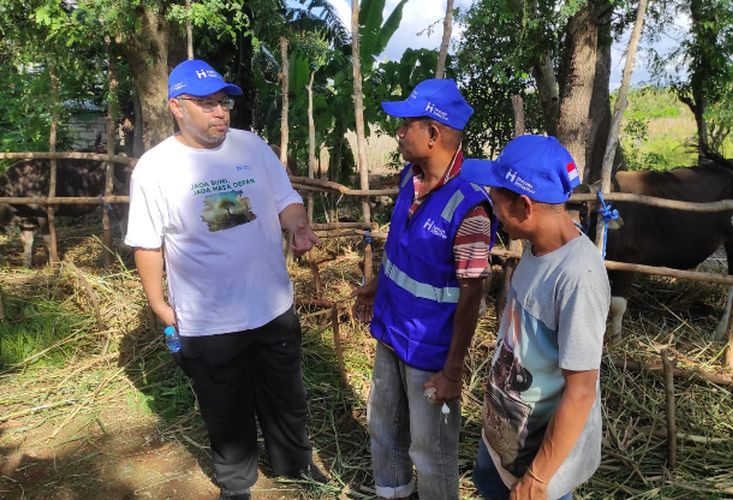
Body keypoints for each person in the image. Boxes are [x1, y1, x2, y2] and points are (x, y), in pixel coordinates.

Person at [124, 59, 324, 500]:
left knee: (286, 396)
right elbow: (146, 244)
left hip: (271, 303)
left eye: (223, 102)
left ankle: (296, 462)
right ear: (177, 107)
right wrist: (159, 305)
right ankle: (237, 483)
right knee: (224, 405)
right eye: (207, 104)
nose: (220, 113)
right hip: (209, 318)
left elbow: (285, 200)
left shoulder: (251, 148)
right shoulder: (156, 169)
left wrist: (297, 225)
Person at [352, 79, 497, 500]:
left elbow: (471, 296)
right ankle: (394, 493)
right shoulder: (407, 180)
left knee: (431, 450)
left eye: (406, 124)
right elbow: (403, 255)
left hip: (431, 353)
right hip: (392, 332)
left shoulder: (469, 209)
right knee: (384, 426)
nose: (398, 132)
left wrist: (453, 372)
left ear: (433, 135)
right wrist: (376, 287)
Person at [460, 135, 610, 500]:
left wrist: (538, 479)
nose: (493, 213)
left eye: (496, 204)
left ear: (525, 206)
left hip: (538, 458)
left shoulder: (578, 277)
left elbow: (580, 391)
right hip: (506, 433)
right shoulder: (535, 247)